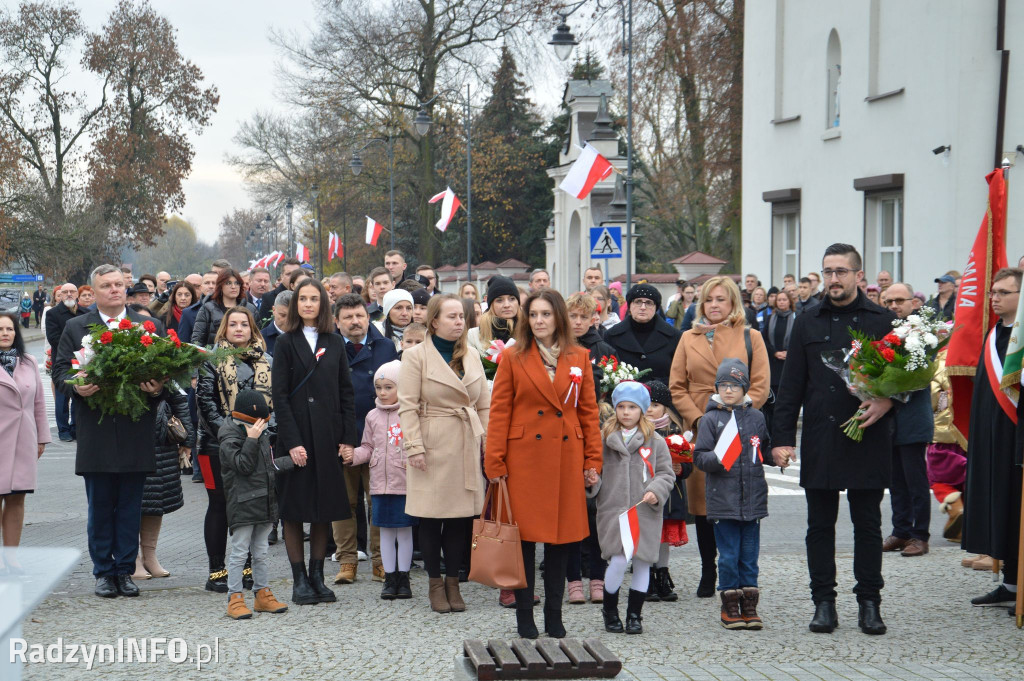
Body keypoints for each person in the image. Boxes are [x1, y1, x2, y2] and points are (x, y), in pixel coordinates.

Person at [771, 243, 896, 636]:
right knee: (819, 526)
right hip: (824, 436)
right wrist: (782, 438)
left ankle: (869, 603)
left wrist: (889, 400)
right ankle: (823, 602)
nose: (834, 279)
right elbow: (791, 385)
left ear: (859, 276)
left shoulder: (883, 319)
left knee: (868, 524)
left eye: (841, 271)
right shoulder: (807, 320)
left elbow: (910, 378)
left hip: (868, 433)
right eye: (827, 272)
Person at [484, 289, 602, 639]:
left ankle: (554, 614)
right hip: (524, 460)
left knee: (561, 540)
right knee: (523, 541)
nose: (538, 321)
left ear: (558, 318)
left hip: (567, 457)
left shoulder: (579, 357)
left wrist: (593, 459)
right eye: (533, 314)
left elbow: (589, 413)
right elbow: (500, 412)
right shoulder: (513, 357)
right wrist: (494, 462)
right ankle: (524, 617)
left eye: (546, 314)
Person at [52, 264, 168, 598]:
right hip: (97, 430)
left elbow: (165, 372)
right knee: (100, 506)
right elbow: (60, 371)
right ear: (95, 291)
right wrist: (77, 387)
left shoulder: (148, 325)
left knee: (132, 507)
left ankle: (125, 570)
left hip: (135, 428)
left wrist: (157, 386)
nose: (115, 290)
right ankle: (104, 571)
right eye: (107, 286)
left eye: (119, 284)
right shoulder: (76, 327)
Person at [669, 275, 770, 598]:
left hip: (739, 426)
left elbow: (760, 384)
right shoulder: (688, 337)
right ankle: (708, 568)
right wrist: (700, 418)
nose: (714, 305)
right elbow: (676, 386)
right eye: (709, 300)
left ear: (732, 304)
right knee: (703, 502)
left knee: (733, 499)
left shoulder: (750, 336)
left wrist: (739, 412)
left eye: (720, 300)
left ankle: (740, 570)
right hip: (703, 426)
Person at [400, 294, 490, 615]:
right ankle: (435, 583)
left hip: (466, 441)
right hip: (432, 440)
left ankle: (454, 582)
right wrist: (414, 447)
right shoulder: (416, 357)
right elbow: (407, 407)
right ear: (434, 321)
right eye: (451, 317)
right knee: (431, 517)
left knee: (460, 520)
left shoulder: (473, 355)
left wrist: (486, 442)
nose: (459, 322)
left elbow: (483, 404)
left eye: (462, 317)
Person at [272, 278, 358, 605]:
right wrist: (292, 441)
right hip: (295, 438)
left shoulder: (334, 342)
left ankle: (318, 577)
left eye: (314, 299)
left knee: (324, 510)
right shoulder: (285, 343)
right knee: (294, 510)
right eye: (303, 299)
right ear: (295, 305)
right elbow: (279, 396)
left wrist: (348, 439)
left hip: (327, 437)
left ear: (324, 304)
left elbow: (346, 393)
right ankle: (299, 581)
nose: (308, 304)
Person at [196, 306, 273, 592]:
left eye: (244, 324)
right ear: (224, 330)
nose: (238, 329)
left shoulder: (268, 361)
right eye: (233, 325)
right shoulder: (210, 362)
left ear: (253, 329)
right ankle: (217, 569)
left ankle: (247, 566)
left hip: (258, 443)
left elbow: (273, 405)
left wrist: (265, 433)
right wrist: (232, 435)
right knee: (218, 505)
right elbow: (206, 405)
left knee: (250, 503)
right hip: (215, 445)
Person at [589, 381, 673, 636]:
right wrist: (592, 481)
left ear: (642, 410)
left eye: (632, 407)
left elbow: (666, 474)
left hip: (644, 511)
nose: (626, 412)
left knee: (642, 563)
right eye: (621, 407)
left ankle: (634, 615)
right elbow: (595, 473)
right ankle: (610, 611)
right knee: (616, 559)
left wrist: (655, 490)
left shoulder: (656, 441)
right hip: (614, 511)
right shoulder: (604, 439)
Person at [962, 267, 1023, 612]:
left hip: (1016, 440)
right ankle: (1012, 584)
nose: (995, 299)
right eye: (992, 293)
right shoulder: (994, 333)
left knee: (1017, 510)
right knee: (1001, 510)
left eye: (1003, 293)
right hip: (992, 440)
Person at [693, 359, 770, 630]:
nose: (728, 390)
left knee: (749, 556)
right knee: (727, 556)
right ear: (716, 387)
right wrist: (718, 458)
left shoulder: (757, 417)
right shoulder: (710, 419)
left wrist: (778, 456)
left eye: (734, 385)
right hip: (722, 502)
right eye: (723, 385)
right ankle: (729, 605)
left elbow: (764, 451)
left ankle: (750, 605)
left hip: (753, 501)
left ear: (744, 388)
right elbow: (699, 457)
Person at [332, 293, 397, 585]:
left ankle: (381, 561)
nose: (355, 321)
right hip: (343, 437)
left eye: (359, 315)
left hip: (380, 439)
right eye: (347, 317)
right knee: (344, 503)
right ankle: (347, 561)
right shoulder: (329, 347)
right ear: (337, 321)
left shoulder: (385, 347)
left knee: (379, 501)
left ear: (367, 316)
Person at [346, 360, 415, 600]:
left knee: (404, 531)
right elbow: (367, 446)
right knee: (385, 531)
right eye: (379, 387)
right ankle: (389, 577)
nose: (383, 393)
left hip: (404, 482)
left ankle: (404, 578)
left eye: (389, 387)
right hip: (379, 484)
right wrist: (352, 456)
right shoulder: (372, 416)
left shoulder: (410, 413)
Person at [218, 389, 289, 619]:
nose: (262, 427)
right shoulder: (230, 436)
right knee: (240, 553)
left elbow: (266, 467)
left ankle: (262, 593)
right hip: (242, 504)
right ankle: (235, 597)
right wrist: (251, 439)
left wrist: (290, 461)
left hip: (264, 501)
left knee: (261, 551)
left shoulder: (260, 431)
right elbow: (243, 466)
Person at [564, 293, 615, 605]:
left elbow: (611, 387)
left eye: (584, 317)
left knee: (597, 504)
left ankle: (597, 572)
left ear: (595, 317)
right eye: (573, 316)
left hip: (596, 427)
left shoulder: (604, 350)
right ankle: (573, 576)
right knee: (571, 505)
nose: (579, 322)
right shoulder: (558, 348)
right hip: (568, 430)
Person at [879, 283, 935, 557]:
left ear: (913, 302)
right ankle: (901, 531)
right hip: (889, 421)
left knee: (915, 480)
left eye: (899, 300)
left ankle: (920, 535)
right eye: (888, 300)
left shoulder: (923, 335)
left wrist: (892, 388)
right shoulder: (883, 332)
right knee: (896, 481)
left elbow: (919, 376)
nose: (894, 305)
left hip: (913, 418)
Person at [0, 312, 49, 570]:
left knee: (17, 498)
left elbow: (39, 403)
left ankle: (11, 556)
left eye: (9, 329)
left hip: (23, 440)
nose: (5, 333)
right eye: (0, 329)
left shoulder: (28, 361)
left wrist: (42, 437)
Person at [643, 380, 691, 603]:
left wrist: (682, 467)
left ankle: (662, 574)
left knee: (662, 538)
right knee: (646, 536)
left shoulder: (675, 432)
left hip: (671, 496)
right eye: (647, 404)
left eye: (655, 404)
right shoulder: (640, 431)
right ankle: (646, 577)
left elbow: (689, 463)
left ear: (665, 408)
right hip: (645, 492)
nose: (650, 409)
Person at [606, 284, 682, 385]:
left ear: (656, 307)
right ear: (630, 305)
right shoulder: (611, 336)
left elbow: (679, 376)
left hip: (662, 398)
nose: (643, 307)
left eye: (649, 303)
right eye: (638, 302)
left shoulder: (675, 337)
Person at [45, 283, 85, 442]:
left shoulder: (85, 312)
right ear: (59, 295)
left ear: (77, 294)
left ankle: (76, 427)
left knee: (79, 396)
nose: (69, 294)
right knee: (62, 398)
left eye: (72, 292)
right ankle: (63, 430)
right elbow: (53, 338)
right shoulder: (53, 314)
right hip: (62, 362)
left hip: (82, 362)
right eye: (65, 292)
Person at [192, 269, 258, 348]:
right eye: (228, 283)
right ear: (220, 286)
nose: (233, 287)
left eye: (237, 283)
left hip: (245, 357)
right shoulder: (207, 309)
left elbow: (258, 338)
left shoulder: (250, 309)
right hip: (214, 357)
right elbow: (197, 342)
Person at [763, 288, 797, 435]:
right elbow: (763, 339)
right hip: (773, 364)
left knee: (785, 401)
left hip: (789, 363)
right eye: (779, 300)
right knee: (772, 402)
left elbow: (798, 339)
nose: (782, 302)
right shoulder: (771, 318)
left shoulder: (796, 318)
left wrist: (789, 353)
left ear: (790, 301)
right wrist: (775, 352)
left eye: (784, 299)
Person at [467, 276, 520, 356]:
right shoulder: (473, 335)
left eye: (512, 299)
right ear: (491, 305)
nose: (506, 305)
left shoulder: (528, 331)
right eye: (499, 300)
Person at [258, 257, 302, 324]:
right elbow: (264, 325)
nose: (292, 277)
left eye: (296, 274)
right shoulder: (268, 298)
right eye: (288, 274)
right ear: (281, 276)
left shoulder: (305, 297)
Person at [259, 290, 291, 357]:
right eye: (283, 315)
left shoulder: (304, 337)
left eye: (292, 316)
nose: (287, 320)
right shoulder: (260, 339)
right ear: (274, 310)